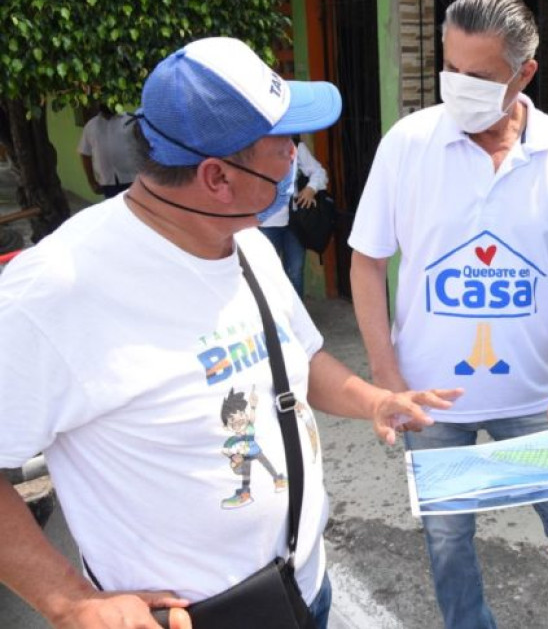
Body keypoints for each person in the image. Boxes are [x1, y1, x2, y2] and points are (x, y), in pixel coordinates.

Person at [0, 36, 459, 629]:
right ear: (217, 176)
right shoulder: (54, 292)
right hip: (195, 619)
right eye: (284, 145)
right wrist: (69, 603)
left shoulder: (243, 242)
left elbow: (299, 357)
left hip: (301, 588)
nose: (297, 155)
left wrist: (375, 399)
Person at [349, 0, 548, 629]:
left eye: (478, 76)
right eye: (450, 70)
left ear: (524, 73)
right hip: (430, 398)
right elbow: (367, 264)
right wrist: (389, 382)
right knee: (447, 541)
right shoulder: (407, 145)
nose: (458, 87)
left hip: (534, 401)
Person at [260, 136, 329, 297]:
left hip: (294, 221)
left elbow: (319, 172)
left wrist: (311, 188)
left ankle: (296, 319)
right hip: (265, 222)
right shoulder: (253, 146)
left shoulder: (295, 145)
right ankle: (273, 319)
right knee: (266, 274)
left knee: (295, 272)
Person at [78, 105, 144, 198]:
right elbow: (85, 154)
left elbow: (146, 148)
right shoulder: (91, 126)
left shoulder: (132, 121)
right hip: (108, 182)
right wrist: (91, 181)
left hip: (133, 179)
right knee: (115, 211)